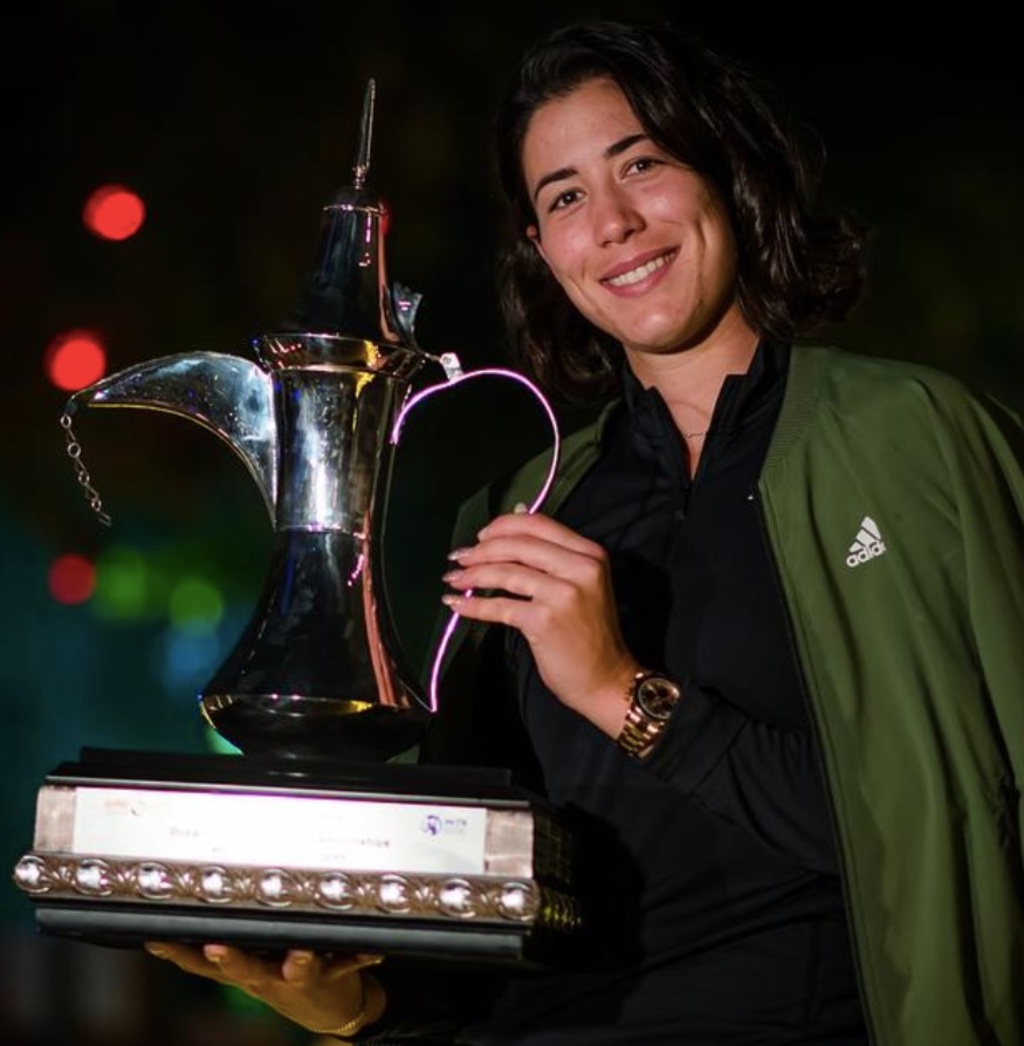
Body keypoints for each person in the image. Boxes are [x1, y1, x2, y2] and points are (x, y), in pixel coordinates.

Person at [146, 17, 1024, 1045]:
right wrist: (352, 1006)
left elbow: (951, 834)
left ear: (725, 171)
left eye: (641, 164)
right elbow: (484, 893)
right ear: (540, 248)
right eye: (564, 197)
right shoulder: (523, 509)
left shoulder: (913, 440)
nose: (611, 222)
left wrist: (623, 692)